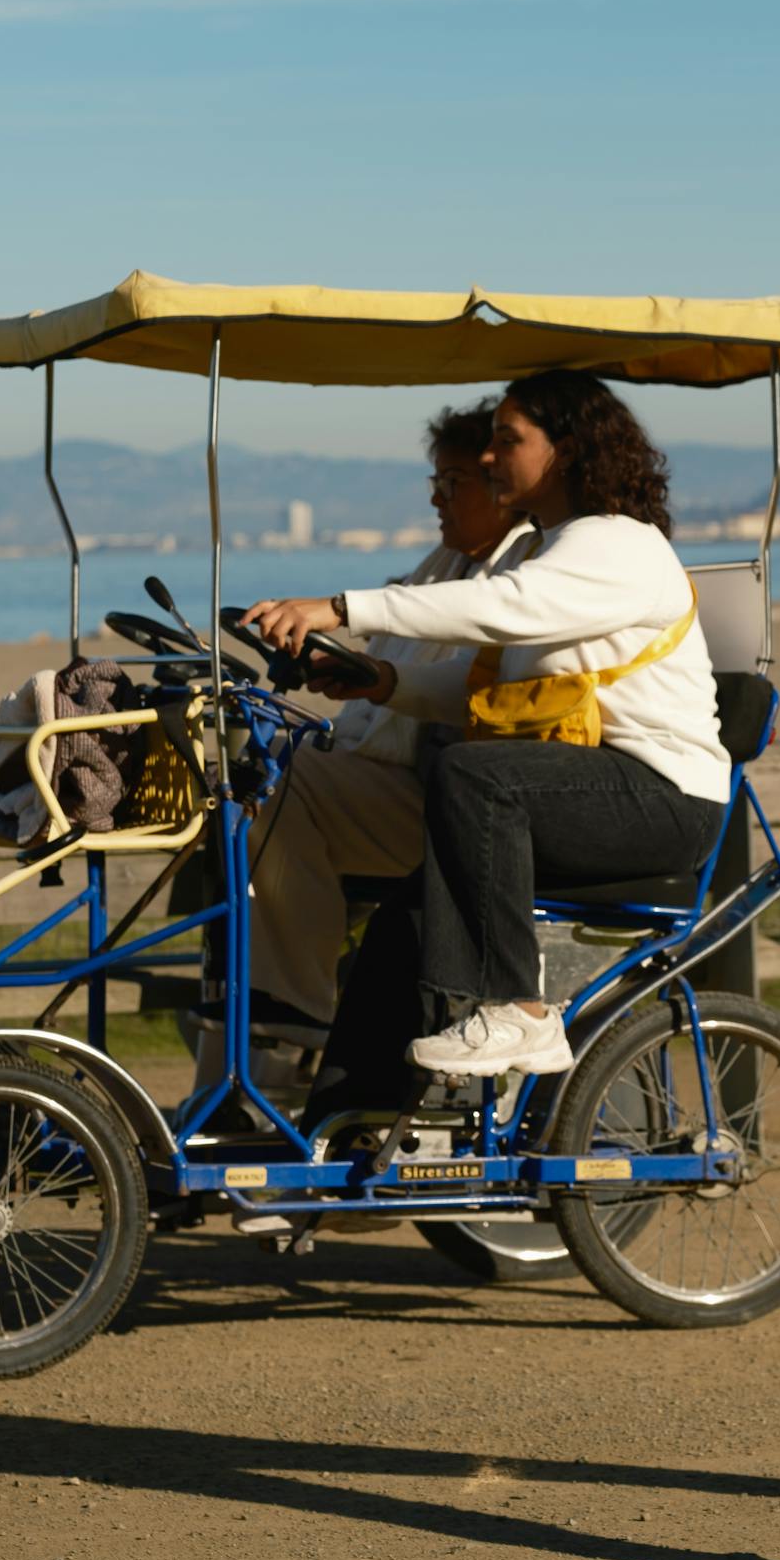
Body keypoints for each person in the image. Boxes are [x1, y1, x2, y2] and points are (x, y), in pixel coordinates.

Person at [245, 368, 731, 1123]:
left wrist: (340, 608)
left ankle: (520, 1013)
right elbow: (490, 688)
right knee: (397, 934)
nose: (487, 459)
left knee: (476, 774)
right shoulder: (551, 546)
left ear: (567, 451)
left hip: (663, 801)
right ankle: (341, 1142)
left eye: (508, 441)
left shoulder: (617, 545)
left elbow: (506, 609)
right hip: (578, 788)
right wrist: (380, 680)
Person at [196, 399, 517, 1063]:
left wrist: (363, 660)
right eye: (435, 483)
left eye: (452, 484)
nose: (438, 498)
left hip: (457, 804)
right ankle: (249, 1006)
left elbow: (454, 681)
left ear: (502, 487)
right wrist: (347, 667)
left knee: (274, 777)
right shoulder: (449, 562)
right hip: (406, 786)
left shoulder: (511, 574)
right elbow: (397, 664)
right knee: (249, 770)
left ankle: (289, 1005)